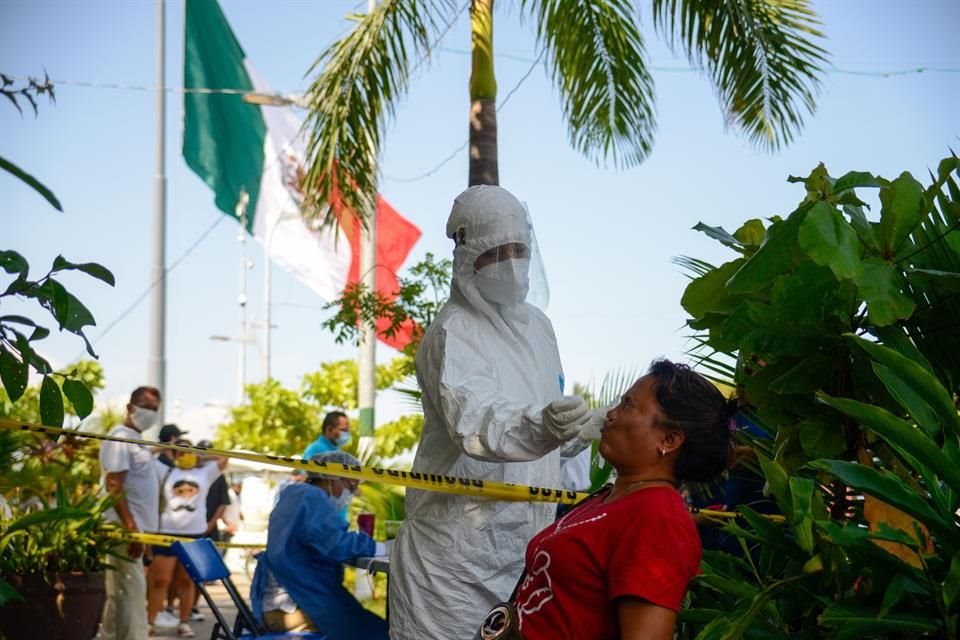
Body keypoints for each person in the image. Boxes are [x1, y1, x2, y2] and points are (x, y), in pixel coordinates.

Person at [389, 185, 595, 640]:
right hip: (452, 566)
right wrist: (543, 425)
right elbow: (478, 425)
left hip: (523, 556)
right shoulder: (453, 332)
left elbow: (545, 443)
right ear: (466, 258)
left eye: (519, 249)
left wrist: (579, 430)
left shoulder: (538, 329)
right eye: (495, 252)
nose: (511, 262)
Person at [498, 360, 735, 640]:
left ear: (669, 439)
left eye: (627, 405)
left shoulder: (658, 520)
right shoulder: (609, 498)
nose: (610, 414)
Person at [250, 451, 389, 639]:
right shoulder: (311, 498)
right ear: (333, 477)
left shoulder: (296, 494)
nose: (353, 492)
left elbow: (324, 540)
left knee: (373, 626)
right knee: (378, 632)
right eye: (351, 484)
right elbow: (336, 543)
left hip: (290, 600)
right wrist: (383, 548)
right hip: (290, 608)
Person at [99, 386, 165, 640]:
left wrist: (144, 537)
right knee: (132, 594)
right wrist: (131, 529)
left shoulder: (137, 440)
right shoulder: (119, 437)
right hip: (123, 529)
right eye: (146, 407)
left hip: (137, 531)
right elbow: (114, 485)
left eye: (155, 410)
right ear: (130, 407)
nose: (150, 413)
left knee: (123, 594)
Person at [146, 438, 227, 638]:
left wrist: (200, 456)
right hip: (165, 533)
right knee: (160, 580)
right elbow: (145, 455)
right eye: (179, 451)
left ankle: (183, 622)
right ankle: (150, 621)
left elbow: (226, 457)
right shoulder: (165, 471)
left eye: (187, 451)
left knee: (187, 581)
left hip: (194, 534)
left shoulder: (204, 473)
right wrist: (165, 447)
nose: (184, 454)